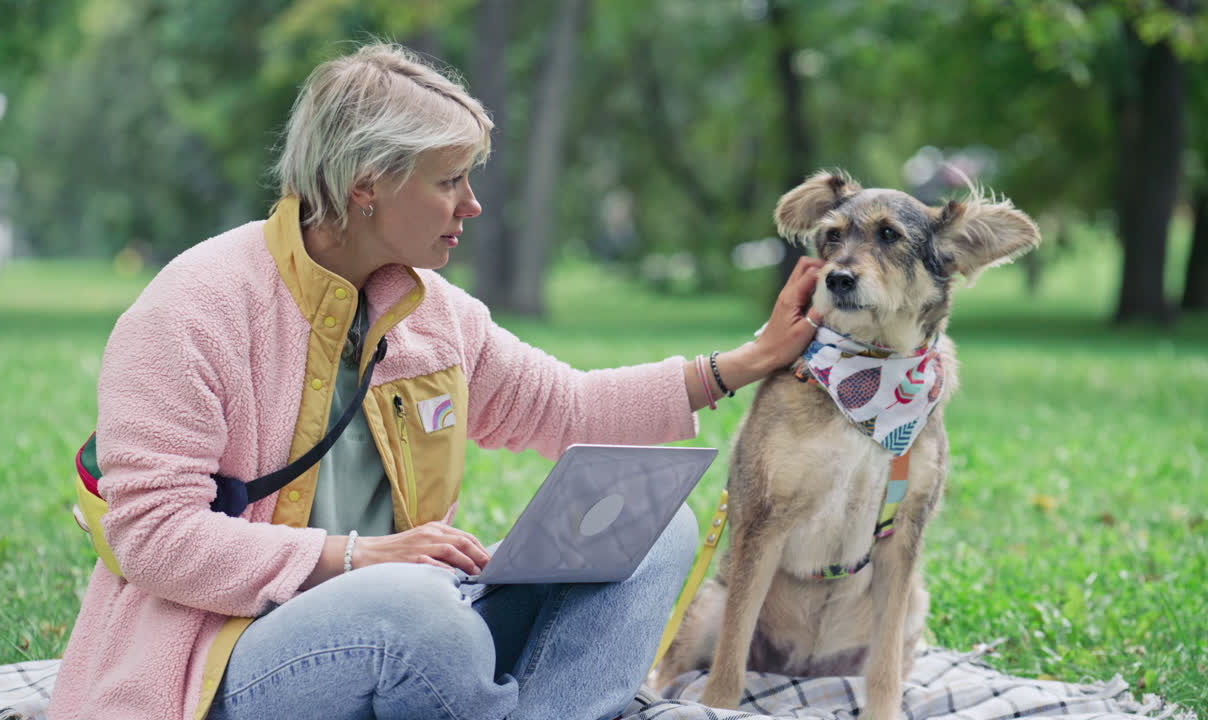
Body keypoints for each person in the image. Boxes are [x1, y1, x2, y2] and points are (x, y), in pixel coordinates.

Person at [48, 43, 823, 720]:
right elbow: (150, 536)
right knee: (411, 608)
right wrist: (358, 558)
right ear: (366, 184)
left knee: (659, 524)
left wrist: (748, 361)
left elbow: (568, 407)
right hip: (234, 660)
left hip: (424, 614)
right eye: (449, 181)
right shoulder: (193, 309)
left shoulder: (436, 313)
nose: (472, 205)